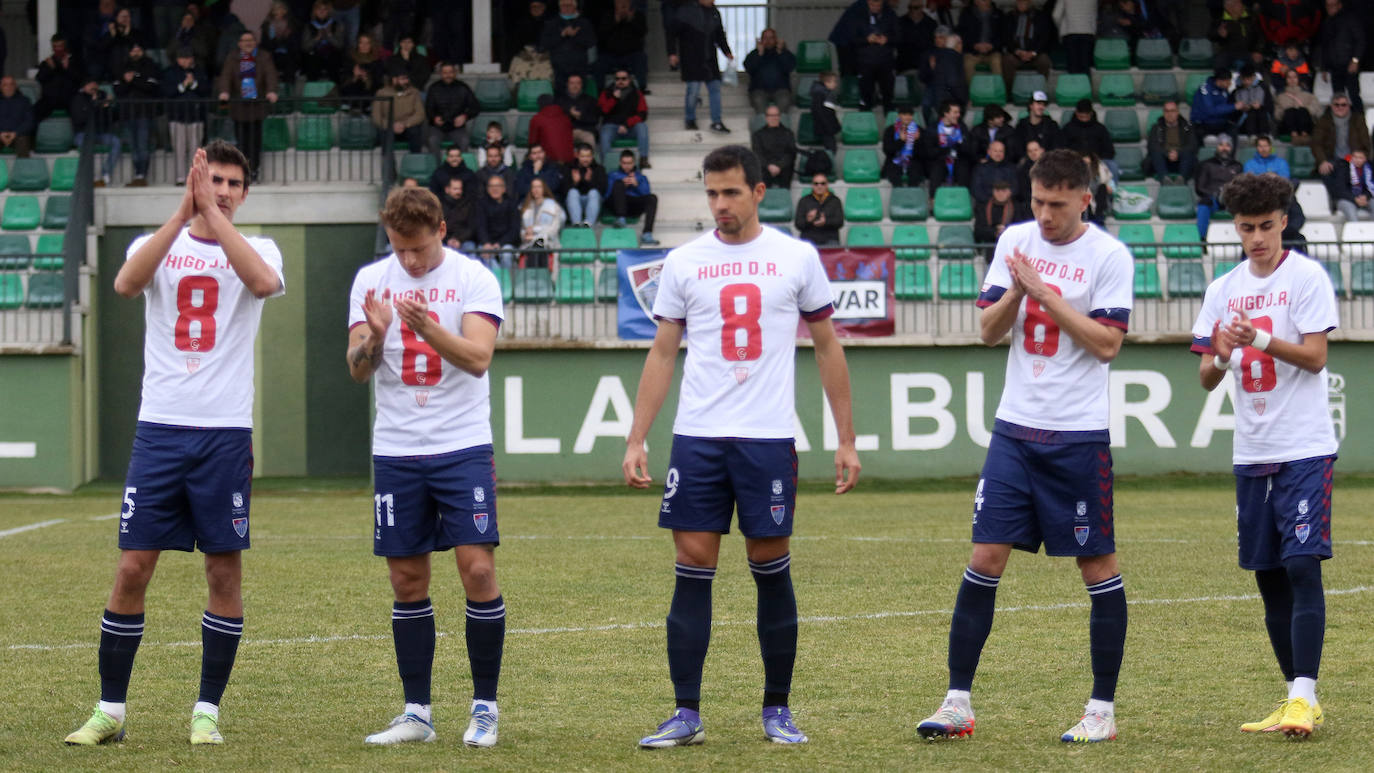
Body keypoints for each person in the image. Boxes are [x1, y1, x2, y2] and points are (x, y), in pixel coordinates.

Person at [624, 144, 860, 750]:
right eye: (710, 193)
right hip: (698, 439)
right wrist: (637, 436)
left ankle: (777, 709)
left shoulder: (796, 257)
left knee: (769, 567)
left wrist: (846, 439)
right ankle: (685, 713)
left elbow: (829, 347)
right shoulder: (683, 263)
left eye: (730, 192)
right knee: (692, 566)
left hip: (767, 439)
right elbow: (662, 352)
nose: (719, 204)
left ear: (758, 192)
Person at [62, 142, 285, 748]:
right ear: (195, 180)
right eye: (214, 179)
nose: (224, 190)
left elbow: (263, 283)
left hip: (224, 434)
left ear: (246, 194)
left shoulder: (258, 249)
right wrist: (182, 215)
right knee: (133, 567)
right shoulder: (155, 244)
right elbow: (125, 283)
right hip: (159, 430)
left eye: (235, 183)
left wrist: (213, 220)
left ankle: (206, 709)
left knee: (222, 571)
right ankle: (110, 709)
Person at [916, 148, 1133, 745]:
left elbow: (1107, 344)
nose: (1044, 216)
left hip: (1077, 438)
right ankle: (957, 702)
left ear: (1084, 199)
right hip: (1014, 431)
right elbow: (987, 332)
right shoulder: (1015, 240)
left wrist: (1048, 294)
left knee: (1097, 568)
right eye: (1038, 202)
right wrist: (1016, 289)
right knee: (984, 558)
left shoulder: (1109, 256)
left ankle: (1101, 710)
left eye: (1057, 205)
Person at [347, 186, 505, 748]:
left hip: (461, 446)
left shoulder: (474, 278)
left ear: (440, 228)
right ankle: (417, 713)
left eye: (417, 248)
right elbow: (358, 370)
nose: (408, 261)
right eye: (399, 249)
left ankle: (484, 707)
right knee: (406, 579)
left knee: (478, 571)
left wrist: (426, 326)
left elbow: (479, 358)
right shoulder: (370, 280)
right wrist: (380, 336)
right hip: (396, 450)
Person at [1189, 171, 1338, 739]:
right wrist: (1223, 355)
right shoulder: (1222, 288)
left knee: (1302, 564)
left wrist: (1255, 338)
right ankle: (1295, 698)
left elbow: (1316, 357)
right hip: (1252, 451)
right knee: (1269, 577)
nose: (1257, 237)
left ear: (1284, 222)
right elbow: (1205, 376)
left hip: (1303, 446)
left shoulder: (1306, 277)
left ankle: (1304, 694)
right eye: (1247, 227)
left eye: (1267, 226)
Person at [216, 31, 279, 183]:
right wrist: (224, 91)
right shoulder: (233, 57)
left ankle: (254, 170)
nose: (247, 43)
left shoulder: (264, 56)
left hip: (257, 106)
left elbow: (271, 75)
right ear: (239, 44)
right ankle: (244, 171)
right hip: (239, 106)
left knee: (255, 142)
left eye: (250, 40)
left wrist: (271, 91)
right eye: (244, 41)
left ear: (255, 42)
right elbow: (226, 76)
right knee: (241, 142)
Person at [668, 0, 733, 133]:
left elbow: (720, 34)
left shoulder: (715, 13)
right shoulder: (685, 11)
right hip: (691, 59)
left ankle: (717, 121)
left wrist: (727, 51)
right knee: (693, 90)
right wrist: (672, 53)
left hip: (710, 59)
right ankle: (690, 118)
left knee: (715, 89)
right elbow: (672, 33)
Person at [113, 42, 161, 187]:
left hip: (144, 113)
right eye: (133, 50)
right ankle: (137, 173)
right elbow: (117, 89)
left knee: (142, 145)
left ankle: (142, 174)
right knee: (133, 147)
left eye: (138, 49)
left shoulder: (150, 65)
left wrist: (133, 79)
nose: (135, 52)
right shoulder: (122, 66)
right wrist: (129, 82)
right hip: (127, 114)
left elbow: (151, 86)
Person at [163, 49, 209, 187]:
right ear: (177, 59)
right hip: (177, 117)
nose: (186, 61)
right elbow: (167, 91)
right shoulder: (170, 73)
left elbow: (206, 90)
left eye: (188, 58)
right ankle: (180, 178)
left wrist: (194, 84)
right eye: (183, 58)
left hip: (196, 116)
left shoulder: (200, 72)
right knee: (179, 148)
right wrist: (183, 86)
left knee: (196, 150)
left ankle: (195, 178)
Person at [847, 0, 899, 113]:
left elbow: (900, 37)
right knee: (865, 96)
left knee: (888, 96)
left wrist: (887, 39)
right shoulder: (858, 16)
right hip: (865, 62)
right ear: (868, 2)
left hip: (886, 61)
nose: (875, 7)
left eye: (878, 5)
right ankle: (865, 125)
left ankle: (890, 127)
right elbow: (851, 39)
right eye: (872, 5)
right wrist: (866, 40)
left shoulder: (890, 15)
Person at [1315, 0, 1365, 112]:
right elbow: (1324, 47)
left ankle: (1360, 125)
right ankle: (1340, 126)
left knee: (1354, 96)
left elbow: (1360, 40)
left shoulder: (1350, 19)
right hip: (1334, 67)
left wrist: (1355, 60)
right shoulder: (1327, 22)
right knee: (1337, 99)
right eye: (1328, 5)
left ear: (1339, 5)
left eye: (1333, 5)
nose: (1330, 8)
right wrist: (1324, 67)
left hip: (1349, 65)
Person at [70, 79, 121, 186]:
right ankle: (88, 175)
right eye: (90, 84)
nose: (93, 86)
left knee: (116, 142)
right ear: (84, 87)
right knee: (85, 145)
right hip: (83, 133)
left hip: (100, 133)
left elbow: (112, 118)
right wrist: (93, 104)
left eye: (95, 84)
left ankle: (106, 172)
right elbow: (79, 119)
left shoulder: (102, 96)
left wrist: (108, 106)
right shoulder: (78, 99)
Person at [540, 0, 596, 92]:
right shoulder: (551, 23)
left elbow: (591, 42)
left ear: (575, 6)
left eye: (569, 5)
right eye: (563, 5)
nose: (566, 8)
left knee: (580, 95)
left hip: (579, 65)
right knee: (560, 95)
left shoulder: (584, 22)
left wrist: (575, 36)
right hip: (559, 66)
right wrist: (562, 35)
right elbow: (545, 44)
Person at [600, 68, 652, 168]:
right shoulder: (606, 93)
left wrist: (626, 124)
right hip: (612, 127)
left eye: (624, 79)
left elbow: (642, 114)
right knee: (605, 133)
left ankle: (643, 159)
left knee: (642, 127)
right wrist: (613, 99)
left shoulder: (637, 93)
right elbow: (602, 112)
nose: (620, 81)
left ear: (629, 80)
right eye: (617, 79)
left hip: (631, 127)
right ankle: (606, 163)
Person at [607, 150, 660, 246]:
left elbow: (646, 194)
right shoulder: (613, 175)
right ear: (620, 163)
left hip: (633, 206)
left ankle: (647, 233)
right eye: (624, 163)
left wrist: (636, 185)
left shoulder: (641, 177)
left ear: (634, 163)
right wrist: (622, 185)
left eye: (629, 163)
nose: (627, 166)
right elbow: (606, 195)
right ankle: (621, 219)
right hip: (616, 205)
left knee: (652, 198)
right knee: (618, 184)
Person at [999, 0, 1052, 97]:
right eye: (1019, 2)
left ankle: (1040, 93)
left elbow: (1045, 38)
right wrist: (1017, 51)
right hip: (1017, 54)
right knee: (1007, 61)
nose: (1021, 4)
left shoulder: (1040, 16)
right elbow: (1006, 37)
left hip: (1035, 54)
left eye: (1024, 2)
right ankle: (1010, 93)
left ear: (1030, 3)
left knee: (1044, 61)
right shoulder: (1010, 17)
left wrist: (1033, 53)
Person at [597, 0, 651, 96]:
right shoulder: (608, 16)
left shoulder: (637, 15)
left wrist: (631, 21)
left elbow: (643, 32)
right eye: (620, 3)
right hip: (611, 55)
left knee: (641, 57)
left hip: (631, 54)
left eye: (625, 4)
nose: (622, 6)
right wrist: (615, 22)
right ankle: (600, 89)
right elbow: (602, 35)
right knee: (600, 61)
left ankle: (642, 87)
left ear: (629, 4)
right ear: (615, 4)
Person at [1312, 93, 1372, 178]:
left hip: (1354, 160)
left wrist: (1361, 157)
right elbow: (1316, 143)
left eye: (1343, 105)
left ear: (1348, 106)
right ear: (1331, 106)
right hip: (1331, 161)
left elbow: (1366, 142)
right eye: (1337, 105)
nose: (1340, 107)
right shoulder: (1323, 121)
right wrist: (1323, 161)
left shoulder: (1358, 120)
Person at [1196, 135, 1244, 238]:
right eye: (1221, 145)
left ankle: (1245, 239)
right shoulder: (1206, 164)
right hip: (1213, 199)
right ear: (1217, 147)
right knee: (1203, 204)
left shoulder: (1237, 166)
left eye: (1227, 145)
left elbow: (1241, 187)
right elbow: (1199, 188)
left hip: (1231, 200)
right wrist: (1215, 194)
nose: (1224, 148)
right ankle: (1202, 239)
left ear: (1231, 148)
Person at [919, 26, 967, 126]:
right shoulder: (928, 54)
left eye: (941, 37)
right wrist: (932, 70)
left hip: (949, 89)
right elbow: (922, 77)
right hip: (933, 85)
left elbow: (955, 80)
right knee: (926, 105)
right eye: (936, 37)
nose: (937, 40)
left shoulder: (955, 55)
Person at [920, 99, 970, 192]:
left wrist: (959, 142)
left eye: (959, 112)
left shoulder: (962, 127)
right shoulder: (933, 128)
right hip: (939, 160)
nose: (958, 115)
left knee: (963, 169)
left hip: (957, 160)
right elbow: (929, 152)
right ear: (946, 113)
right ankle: (933, 201)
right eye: (955, 112)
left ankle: (964, 201)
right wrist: (946, 147)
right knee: (936, 169)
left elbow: (968, 150)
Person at [372, 66, 425, 154]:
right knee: (384, 135)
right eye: (402, 79)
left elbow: (420, 114)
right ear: (394, 80)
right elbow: (376, 117)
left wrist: (405, 124)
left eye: (407, 79)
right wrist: (391, 125)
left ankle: (415, 164)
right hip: (389, 127)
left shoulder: (414, 92)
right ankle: (389, 167)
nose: (406, 81)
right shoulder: (381, 93)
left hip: (408, 126)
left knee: (415, 132)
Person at [743, 28, 796, 115]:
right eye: (765, 38)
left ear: (776, 39)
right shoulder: (754, 54)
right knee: (759, 102)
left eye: (771, 38)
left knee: (784, 101)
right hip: (759, 90)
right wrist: (759, 54)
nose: (768, 41)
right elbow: (749, 68)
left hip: (781, 90)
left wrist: (780, 52)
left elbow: (790, 67)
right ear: (761, 40)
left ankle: (780, 127)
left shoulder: (784, 53)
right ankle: (763, 127)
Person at [1062, 100, 1118, 181]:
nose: (1084, 119)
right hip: (1074, 161)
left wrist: (1095, 159)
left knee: (1112, 166)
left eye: (1086, 116)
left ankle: (1111, 191)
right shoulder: (1068, 128)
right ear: (1076, 113)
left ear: (1091, 114)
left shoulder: (1100, 129)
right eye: (1081, 117)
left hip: (1097, 161)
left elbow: (1109, 150)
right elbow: (1062, 149)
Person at [474, 174, 521, 272]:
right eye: (491, 186)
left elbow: (514, 230)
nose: (495, 189)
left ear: (504, 189)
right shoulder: (481, 204)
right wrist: (486, 243)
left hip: (505, 243)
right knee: (485, 256)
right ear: (487, 189)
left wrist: (499, 244)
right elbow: (480, 226)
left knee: (506, 254)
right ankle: (498, 282)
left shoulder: (512, 204)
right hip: (486, 243)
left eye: (498, 186)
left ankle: (508, 284)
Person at [1146, 100, 1199, 183]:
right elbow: (1152, 146)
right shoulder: (1156, 128)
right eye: (1167, 111)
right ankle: (1164, 179)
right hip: (1163, 161)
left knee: (1188, 153)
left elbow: (1193, 145)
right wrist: (1167, 153)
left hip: (1182, 161)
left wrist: (1178, 153)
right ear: (1163, 113)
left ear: (1177, 112)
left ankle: (1181, 179)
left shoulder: (1187, 127)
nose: (1169, 114)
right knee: (1155, 153)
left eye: (1172, 111)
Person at [973, 179, 1027, 259]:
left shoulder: (1018, 208)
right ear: (993, 192)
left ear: (1009, 192)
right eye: (997, 190)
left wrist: (1006, 230)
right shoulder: (983, 208)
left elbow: (1022, 228)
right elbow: (978, 231)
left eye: (1004, 190)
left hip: (1011, 250)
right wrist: (995, 232)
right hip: (990, 251)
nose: (1000, 193)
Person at [519, 177, 567, 265]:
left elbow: (553, 230)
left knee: (538, 246)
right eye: (533, 187)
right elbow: (522, 230)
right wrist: (525, 234)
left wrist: (534, 231)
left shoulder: (553, 206)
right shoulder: (526, 208)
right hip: (528, 244)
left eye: (539, 187)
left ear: (544, 189)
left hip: (548, 243)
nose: (536, 190)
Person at [36, 34, 83, 122]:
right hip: (50, 99)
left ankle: (79, 134)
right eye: (55, 46)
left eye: (60, 46)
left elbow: (80, 79)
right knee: (36, 111)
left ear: (65, 46)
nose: (57, 49)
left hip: (69, 98)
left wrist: (68, 68)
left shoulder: (74, 61)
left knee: (79, 108)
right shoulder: (48, 62)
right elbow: (39, 78)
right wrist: (50, 69)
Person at [957, 0, 1003, 85]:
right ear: (976, 2)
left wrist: (992, 46)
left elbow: (1003, 34)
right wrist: (974, 45)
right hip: (972, 52)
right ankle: (971, 94)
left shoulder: (998, 14)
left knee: (997, 63)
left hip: (992, 52)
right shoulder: (966, 14)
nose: (985, 2)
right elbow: (962, 34)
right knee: (967, 65)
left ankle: (998, 92)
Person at [752, 105, 798, 188]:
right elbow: (757, 153)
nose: (774, 118)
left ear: (779, 117)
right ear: (766, 118)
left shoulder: (788, 133)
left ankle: (785, 198)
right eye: (771, 115)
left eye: (776, 115)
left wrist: (779, 165)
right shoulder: (758, 135)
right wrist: (769, 166)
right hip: (766, 167)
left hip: (783, 167)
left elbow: (791, 153)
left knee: (788, 169)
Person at [794, 173, 845, 246]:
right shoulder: (804, 201)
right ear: (812, 185)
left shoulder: (835, 201)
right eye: (816, 184)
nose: (819, 186)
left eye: (822, 183)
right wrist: (808, 220)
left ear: (827, 185)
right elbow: (798, 224)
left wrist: (826, 222)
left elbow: (840, 222)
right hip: (809, 239)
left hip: (829, 239)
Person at [1212, 0, 1265, 71]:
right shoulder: (1220, 18)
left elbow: (1260, 36)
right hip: (1228, 52)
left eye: (1238, 3)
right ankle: (1223, 81)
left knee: (1257, 61)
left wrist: (1258, 51)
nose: (1239, 6)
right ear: (1227, 8)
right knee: (1219, 62)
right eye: (1233, 5)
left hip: (1249, 51)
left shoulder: (1251, 17)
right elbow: (1210, 35)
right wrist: (1219, 33)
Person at [300, 0, 345, 81]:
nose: (322, 11)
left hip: (332, 55)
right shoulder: (309, 26)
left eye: (325, 9)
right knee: (311, 61)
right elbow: (304, 47)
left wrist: (329, 35)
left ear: (329, 11)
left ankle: (336, 90)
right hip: (314, 55)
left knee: (334, 61)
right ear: (315, 11)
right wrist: (317, 38)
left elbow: (340, 45)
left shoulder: (337, 25)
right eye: (319, 9)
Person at [565, 143, 608, 226]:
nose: (585, 159)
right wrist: (575, 183)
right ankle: (576, 223)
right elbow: (564, 191)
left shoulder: (599, 169)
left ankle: (588, 224)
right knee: (573, 192)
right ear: (577, 156)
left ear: (592, 156)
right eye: (583, 156)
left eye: (588, 156)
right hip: (574, 201)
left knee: (593, 192)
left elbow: (603, 190)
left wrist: (589, 181)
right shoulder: (569, 167)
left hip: (593, 201)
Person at [1274, 68, 1320, 145]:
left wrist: (1303, 110)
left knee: (1302, 111)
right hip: (1287, 127)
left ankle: (1304, 134)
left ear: (1298, 79)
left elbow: (1316, 109)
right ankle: (1294, 135)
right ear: (1286, 80)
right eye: (1289, 77)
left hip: (1306, 124)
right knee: (1290, 111)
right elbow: (1277, 115)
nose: (1292, 80)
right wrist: (1287, 111)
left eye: (1294, 77)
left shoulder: (1308, 95)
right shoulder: (1280, 97)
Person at [1011, 90, 1060, 161]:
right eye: (1038, 103)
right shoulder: (1021, 126)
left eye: (1043, 104)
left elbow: (1057, 147)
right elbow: (1017, 149)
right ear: (1031, 105)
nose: (1041, 107)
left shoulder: (1052, 125)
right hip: (1027, 163)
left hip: (1047, 162)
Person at [528, 93, 575, 165]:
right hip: (568, 160)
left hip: (548, 161)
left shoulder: (537, 119)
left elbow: (532, 142)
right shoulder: (566, 118)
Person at [1053, 0, 1097, 76]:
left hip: (1070, 32)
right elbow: (1094, 15)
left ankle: (1074, 86)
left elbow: (1056, 15)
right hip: (1088, 32)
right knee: (1085, 64)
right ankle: (1085, 86)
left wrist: (1061, 27)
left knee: (1073, 66)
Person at [557, 73, 600, 151]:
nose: (575, 86)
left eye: (578, 83)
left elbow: (594, 119)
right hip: (566, 132)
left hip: (584, 131)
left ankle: (590, 162)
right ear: (567, 84)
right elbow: (557, 119)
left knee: (589, 138)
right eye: (572, 83)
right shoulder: (560, 101)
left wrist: (580, 117)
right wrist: (570, 114)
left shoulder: (590, 100)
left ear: (581, 85)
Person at [1328, 148, 1374, 220]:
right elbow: (1340, 190)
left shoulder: (1369, 169)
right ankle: (1355, 230)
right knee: (1351, 211)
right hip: (1346, 199)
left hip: (1364, 199)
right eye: (1355, 157)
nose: (1357, 160)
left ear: (1365, 159)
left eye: (1360, 158)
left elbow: (1371, 187)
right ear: (1351, 157)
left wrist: (1366, 196)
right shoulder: (1343, 167)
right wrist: (1354, 199)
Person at [882, 104, 922, 187]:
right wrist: (901, 141)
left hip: (913, 160)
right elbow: (887, 151)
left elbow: (924, 153)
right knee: (894, 175)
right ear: (899, 115)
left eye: (910, 115)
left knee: (915, 174)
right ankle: (898, 198)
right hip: (894, 160)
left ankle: (913, 198)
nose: (907, 117)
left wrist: (917, 140)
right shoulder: (890, 130)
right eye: (904, 114)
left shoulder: (919, 130)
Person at [258, 2, 298, 83]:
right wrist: (274, 41)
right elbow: (264, 44)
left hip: (289, 53)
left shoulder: (292, 24)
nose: (278, 12)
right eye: (275, 9)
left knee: (290, 63)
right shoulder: (267, 25)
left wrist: (285, 38)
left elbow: (295, 43)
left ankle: (289, 89)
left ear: (285, 11)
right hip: (271, 53)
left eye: (280, 9)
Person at [1232, 65, 1273, 138]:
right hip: (1244, 120)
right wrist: (1242, 108)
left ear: (1254, 77)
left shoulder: (1263, 88)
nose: (1247, 82)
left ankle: (1264, 135)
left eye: (1249, 79)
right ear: (1241, 78)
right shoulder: (1236, 92)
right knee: (1251, 113)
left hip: (1261, 117)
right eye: (1244, 79)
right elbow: (1234, 110)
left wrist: (1260, 105)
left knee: (1260, 112)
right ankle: (1251, 136)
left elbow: (1269, 106)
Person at [0, 75, 36, 158]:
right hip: (0, 134)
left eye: (11, 84)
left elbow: (30, 122)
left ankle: (23, 170)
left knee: (23, 140)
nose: (9, 87)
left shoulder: (24, 101)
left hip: (18, 135)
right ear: (1, 87)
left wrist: (15, 133)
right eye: (5, 85)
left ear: (15, 86)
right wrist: (0, 133)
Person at [971, 140, 1016, 206]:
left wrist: (1004, 197)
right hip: (985, 205)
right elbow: (976, 190)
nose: (998, 154)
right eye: (995, 151)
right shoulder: (980, 168)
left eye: (1001, 151)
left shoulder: (1011, 168)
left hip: (1008, 203)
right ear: (989, 152)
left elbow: (1015, 188)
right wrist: (992, 201)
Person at [441, 176, 477, 252]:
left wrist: (459, 239)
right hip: (444, 241)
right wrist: (448, 240)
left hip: (464, 241)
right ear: (447, 190)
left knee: (470, 248)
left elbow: (472, 227)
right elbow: (437, 227)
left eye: (460, 189)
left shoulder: (469, 205)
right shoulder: (440, 206)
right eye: (455, 189)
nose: (458, 192)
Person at [810, 71, 842, 153]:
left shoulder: (823, 94)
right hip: (825, 129)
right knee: (831, 149)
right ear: (826, 82)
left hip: (826, 128)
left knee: (832, 148)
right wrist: (830, 127)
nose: (836, 84)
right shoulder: (821, 95)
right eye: (834, 81)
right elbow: (822, 113)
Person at [1013, 138, 1044, 203]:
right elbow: (1023, 191)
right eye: (1030, 151)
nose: (1033, 153)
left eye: (1035, 150)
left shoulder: (1050, 166)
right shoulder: (1022, 169)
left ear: (1042, 150)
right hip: (1030, 202)